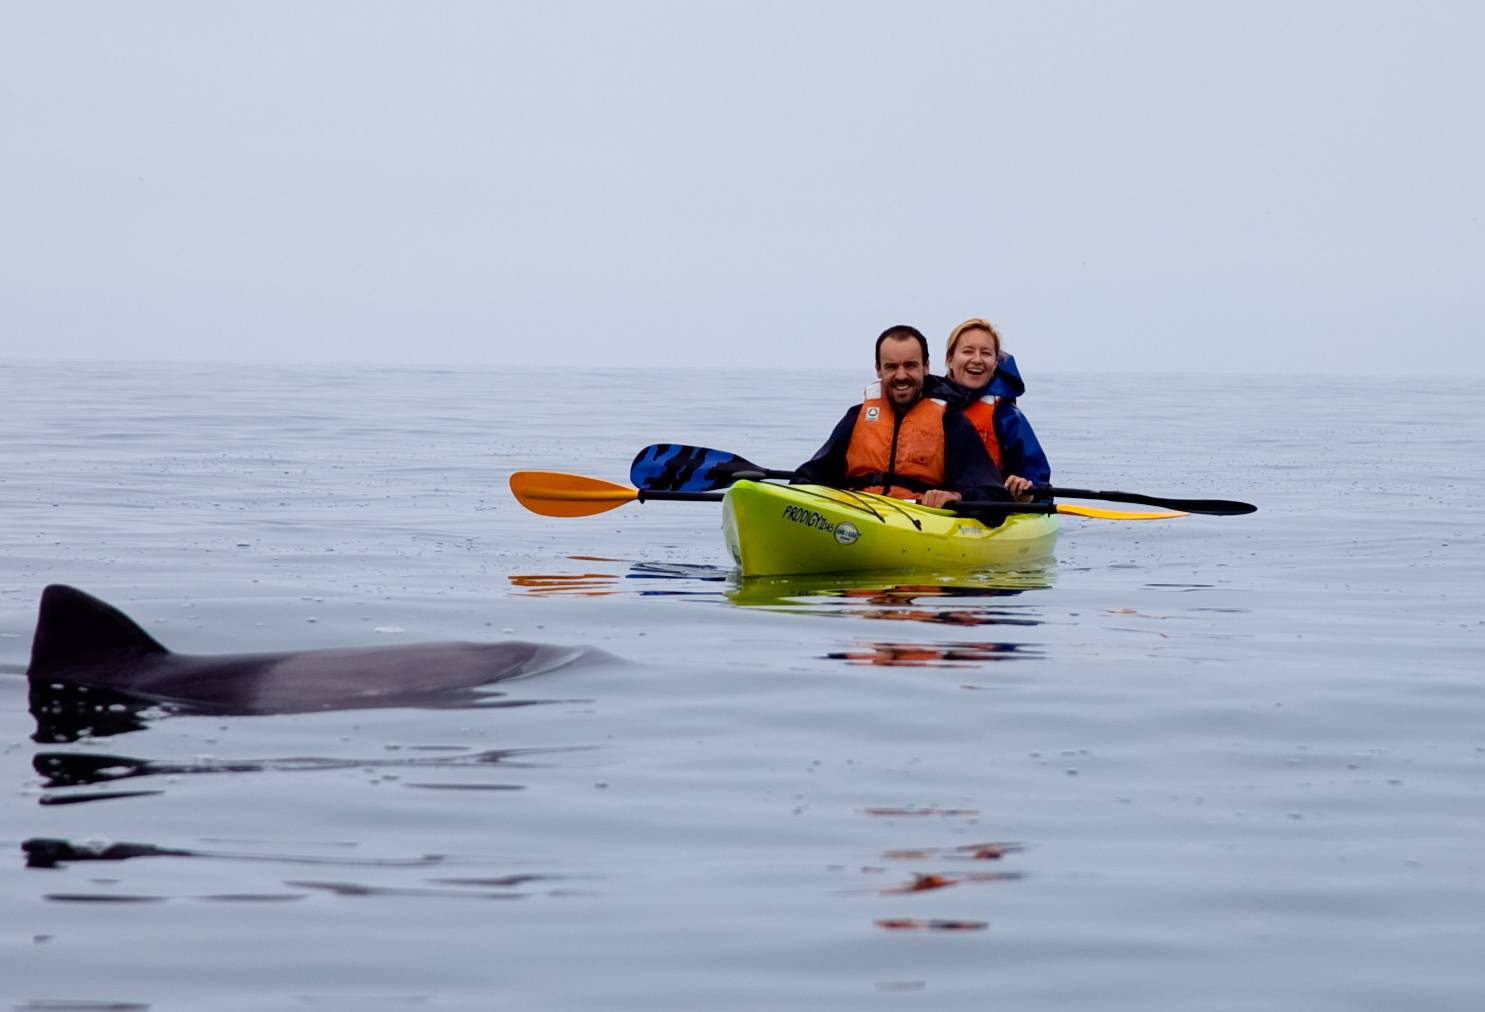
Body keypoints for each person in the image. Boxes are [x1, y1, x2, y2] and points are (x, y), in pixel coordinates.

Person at [795, 325, 1011, 509]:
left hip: (920, 521)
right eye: (891, 367)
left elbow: (992, 495)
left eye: (910, 366)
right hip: (859, 515)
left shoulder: (952, 423)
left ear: (925, 367)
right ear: (878, 370)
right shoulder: (856, 417)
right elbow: (809, 477)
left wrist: (956, 496)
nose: (901, 375)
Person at [938, 318, 1051, 501]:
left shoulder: (1006, 415)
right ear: (950, 359)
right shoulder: (928, 405)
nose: (977, 360)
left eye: (986, 353)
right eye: (967, 351)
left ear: (995, 363)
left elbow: (1037, 479)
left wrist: (1026, 491)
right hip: (931, 506)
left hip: (987, 508)